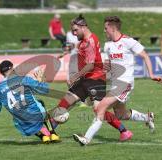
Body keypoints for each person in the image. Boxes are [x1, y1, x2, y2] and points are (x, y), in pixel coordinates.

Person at [73, 16, 161, 146]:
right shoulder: (108, 45)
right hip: (115, 84)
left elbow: (145, 56)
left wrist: (152, 74)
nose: (104, 31)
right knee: (121, 115)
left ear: (113, 28)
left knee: (100, 108)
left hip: (125, 83)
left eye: (106, 28)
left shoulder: (128, 41)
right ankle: (147, 117)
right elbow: (108, 67)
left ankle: (86, 139)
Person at [51, 14, 133, 142]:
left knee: (98, 109)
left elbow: (90, 65)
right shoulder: (83, 41)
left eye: (75, 30)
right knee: (65, 102)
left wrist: (75, 77)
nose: (73, 33)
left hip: (96, 79)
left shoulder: (90, 41)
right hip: (85, 79)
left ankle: (124, 131)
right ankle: (50, 131)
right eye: (72, 30)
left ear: (83, 27)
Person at [0, 60, 60, 143]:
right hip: (35, 113)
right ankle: (52, 133)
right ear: (12, 68)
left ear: (1, 73)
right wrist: (41, 80)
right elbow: (45, 90)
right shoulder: (23, 79)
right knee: (40, 104)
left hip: (22, 122)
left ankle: (44, 136)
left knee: (19, 117)